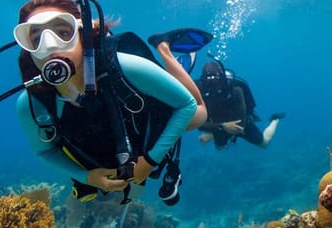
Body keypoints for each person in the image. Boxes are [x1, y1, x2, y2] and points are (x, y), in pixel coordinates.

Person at [14, 0, 207, 205]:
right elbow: (44, 151)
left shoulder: (126, 66)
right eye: (36, 39)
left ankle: (164, 49)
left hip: (148, 117)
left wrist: (150, 161)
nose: (50, 46)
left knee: (201, 113)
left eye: (63, 33)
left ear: (82, 34)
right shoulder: (32, 105)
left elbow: (187, 105)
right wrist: (86, 177)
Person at [195, 61, 285, 149]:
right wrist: (221, 127)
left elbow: (240, 125)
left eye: (215, 81)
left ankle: (275, 119)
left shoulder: (235, 89)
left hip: (241, 121)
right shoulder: (198, 91)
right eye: (208, 82)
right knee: (219, 148)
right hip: (220, 124)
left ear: (222, 78)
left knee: (264, 143)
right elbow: (197, 123)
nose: (212, 86)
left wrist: (213, 132)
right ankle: (219, 135)